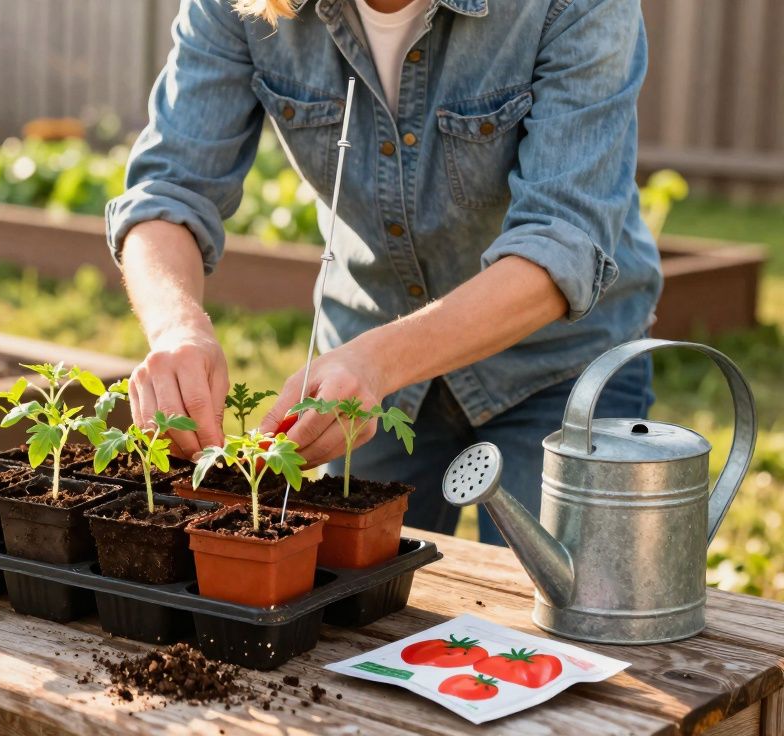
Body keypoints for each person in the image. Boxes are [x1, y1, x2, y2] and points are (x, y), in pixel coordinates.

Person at [104, 0, 661, 544]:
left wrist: (377, 362)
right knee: (357, 592)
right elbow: (169, 190)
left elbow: (560, 245)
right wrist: (178, 329)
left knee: (551, 593)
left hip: (556, 367)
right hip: (365, 364)